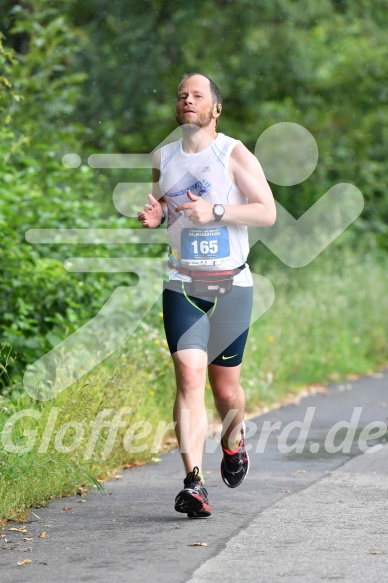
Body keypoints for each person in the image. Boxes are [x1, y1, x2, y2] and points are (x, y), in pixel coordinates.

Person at [138, 73, 276, 518]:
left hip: (232, 285)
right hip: (182, 282)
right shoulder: (163, 156)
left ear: (215, 109)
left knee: (225, 388)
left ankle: (233, 443)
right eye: (182, 95)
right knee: (189, 376)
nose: (187, 99)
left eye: (198, 94)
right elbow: (164, 202)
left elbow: (267, 212)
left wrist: (216, 209)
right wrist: (157, 214)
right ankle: (193, 483)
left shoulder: (232, 153)